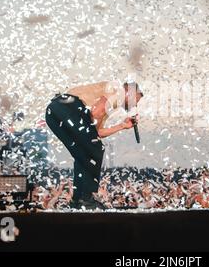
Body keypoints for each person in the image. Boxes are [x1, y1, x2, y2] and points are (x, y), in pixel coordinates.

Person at [45, 81, 143, 209]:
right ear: (129, 92)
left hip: (53, 112)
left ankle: (77, 200)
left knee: (82, 153)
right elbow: (96, 112)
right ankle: (86, 198)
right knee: (95, 147)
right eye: (136, 100)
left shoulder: (107, 101)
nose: (135, 105)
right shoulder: (118, 91)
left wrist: (122, 126)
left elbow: (96, 133)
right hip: (69, 108)